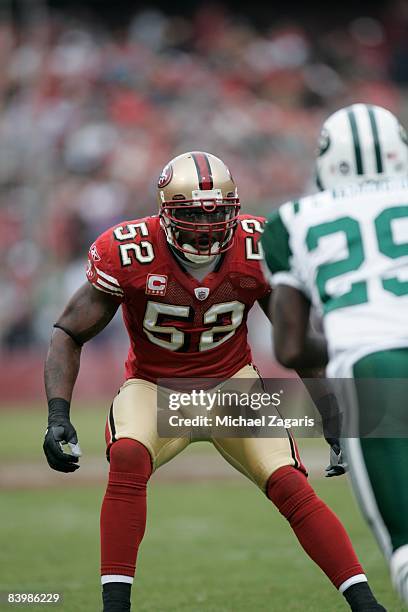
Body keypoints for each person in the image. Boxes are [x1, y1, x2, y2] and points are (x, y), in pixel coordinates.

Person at [43, 151, 384, 612]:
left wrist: (332, 413)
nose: (206, 226)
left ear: (234, 209)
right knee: (127, 455)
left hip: (231, 386)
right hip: (155, 386)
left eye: (217, 213)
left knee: (289, 482)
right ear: (165, 212)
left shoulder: (257, 246)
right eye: (192, 215)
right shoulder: (128, 251)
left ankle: (366, 604)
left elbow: (297, 339)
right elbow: (69, 332)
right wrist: (57, 414)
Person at [261, 103, 408, 605]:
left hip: (373, 371)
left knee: (406, 552)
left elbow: (290, 346)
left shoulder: (291, 221)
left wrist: (353, 335)